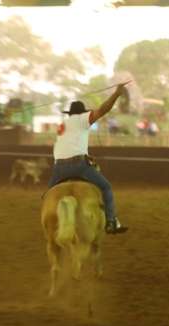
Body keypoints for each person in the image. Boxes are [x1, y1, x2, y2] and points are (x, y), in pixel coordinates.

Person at [47, 82, 130, 235]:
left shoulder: (63, 125)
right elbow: (104, 109)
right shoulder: (82, 119)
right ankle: (111, 221)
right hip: (78, 165)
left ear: (69, 114)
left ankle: (51, 224)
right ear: (81, 113)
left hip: (58, 168)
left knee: (47, 196)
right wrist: (117, 93)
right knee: (106, 188)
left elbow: (65, 146)